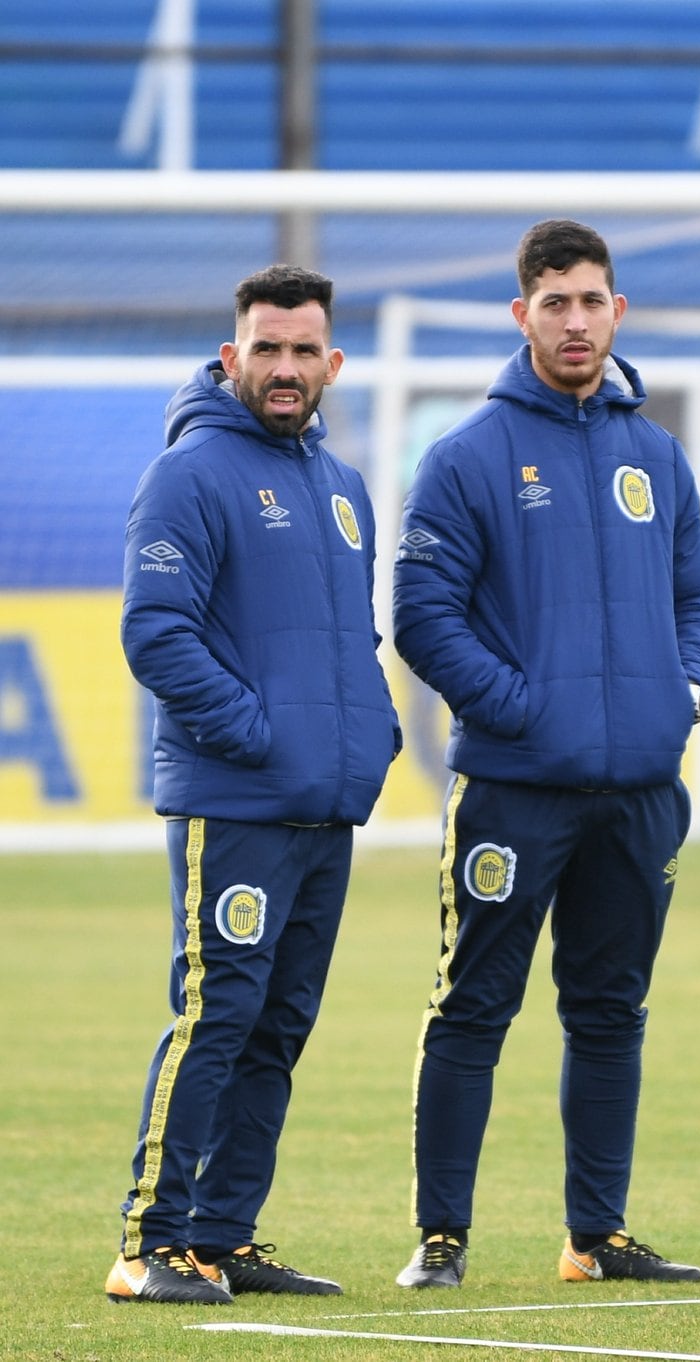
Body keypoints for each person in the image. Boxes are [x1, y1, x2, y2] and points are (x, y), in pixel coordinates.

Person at [390, 219, 700, 1290]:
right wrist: (516, 711)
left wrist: (691, 688)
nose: (574, 322)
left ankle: (596, 1235)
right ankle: (441, 1238)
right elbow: (423, 614)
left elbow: (694, 595)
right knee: (474, 1007)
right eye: (554, 302)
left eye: (592, 302)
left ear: (617, 312)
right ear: (520, 314)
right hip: (515, 792)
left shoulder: (656, 454)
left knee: (611, 1012)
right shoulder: (466, 456)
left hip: (639, 791)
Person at [108, 265, 403, 1305]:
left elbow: (349, 642)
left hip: (324, 807)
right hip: (236, 802)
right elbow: (156, 632)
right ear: (232, 357)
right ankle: (149, 1244)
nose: (284, 369)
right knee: (215, 1012)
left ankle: (221, 1233)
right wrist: (258, 737)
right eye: (265, 349)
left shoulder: (343, 486)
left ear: (333, 363)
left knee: (279, 1022)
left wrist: (369, 733)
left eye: (302, 351)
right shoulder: (191, 474)